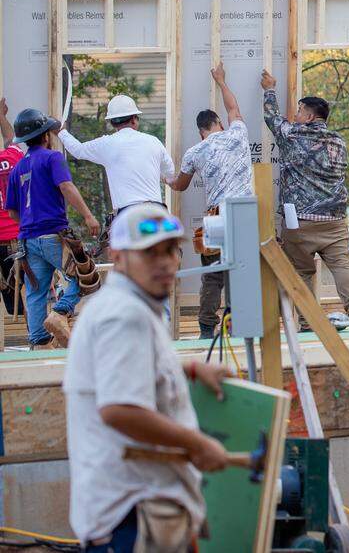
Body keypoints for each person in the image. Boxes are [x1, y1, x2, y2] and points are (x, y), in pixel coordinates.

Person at [63, 204, 230, 551]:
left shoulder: (121, 305)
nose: (165, 261)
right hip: (132, 515)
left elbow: (128, 368)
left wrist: (191, 368)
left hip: (132, 508)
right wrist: (197, 445)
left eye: (170, 250)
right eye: (149, 253)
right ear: (118, 256)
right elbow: (119, 409)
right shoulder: (124, 316)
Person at [166, 62, 255, 338]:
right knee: (242, 271)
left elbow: (180, 185)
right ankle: (239, 324)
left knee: (214, 275)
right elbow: (234, 109)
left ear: (200, 130)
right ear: (218, 124)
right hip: (243, 214)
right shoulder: (237, 134)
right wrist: (221, 81)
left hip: (216, 216)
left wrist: (166, 179)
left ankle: (206, 328)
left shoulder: (195, 151)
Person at [262, 69, 349, 312]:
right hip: (334, 220)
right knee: (341, 265)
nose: (294, 116)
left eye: (298, 112)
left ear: (309, 117)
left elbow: (272, 118)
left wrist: (269, 90)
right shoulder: (339, 141)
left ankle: (308, 323)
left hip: (300, 223)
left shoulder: (293, 135)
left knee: (302, 271)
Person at [5, 109, 101, 347]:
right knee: (85, 275)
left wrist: (30, 222)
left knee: (36, 291)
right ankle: (60, 313)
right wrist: (89, 216)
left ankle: (38, 341)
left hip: (28, 239)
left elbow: (12, 212)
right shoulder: (52, 158)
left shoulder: (18, 168)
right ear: (46, 136)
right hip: (53, 234)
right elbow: (66, 187)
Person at [58, 94, 175, 216]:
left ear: (112, 123)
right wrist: (161, 175)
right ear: (134, 118)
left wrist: (61, 132)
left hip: (128, 216)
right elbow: (170, 172)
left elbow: (78, 150)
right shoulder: (153, 141)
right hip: (157, 213)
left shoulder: (107, 144)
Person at [0, 98, 24, 316]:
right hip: (17, 240)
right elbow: (10, 138)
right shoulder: (12, 157)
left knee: (10, 298)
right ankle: (36, 337)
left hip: (2, 241)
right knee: (28, 294)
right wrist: (1, 116)